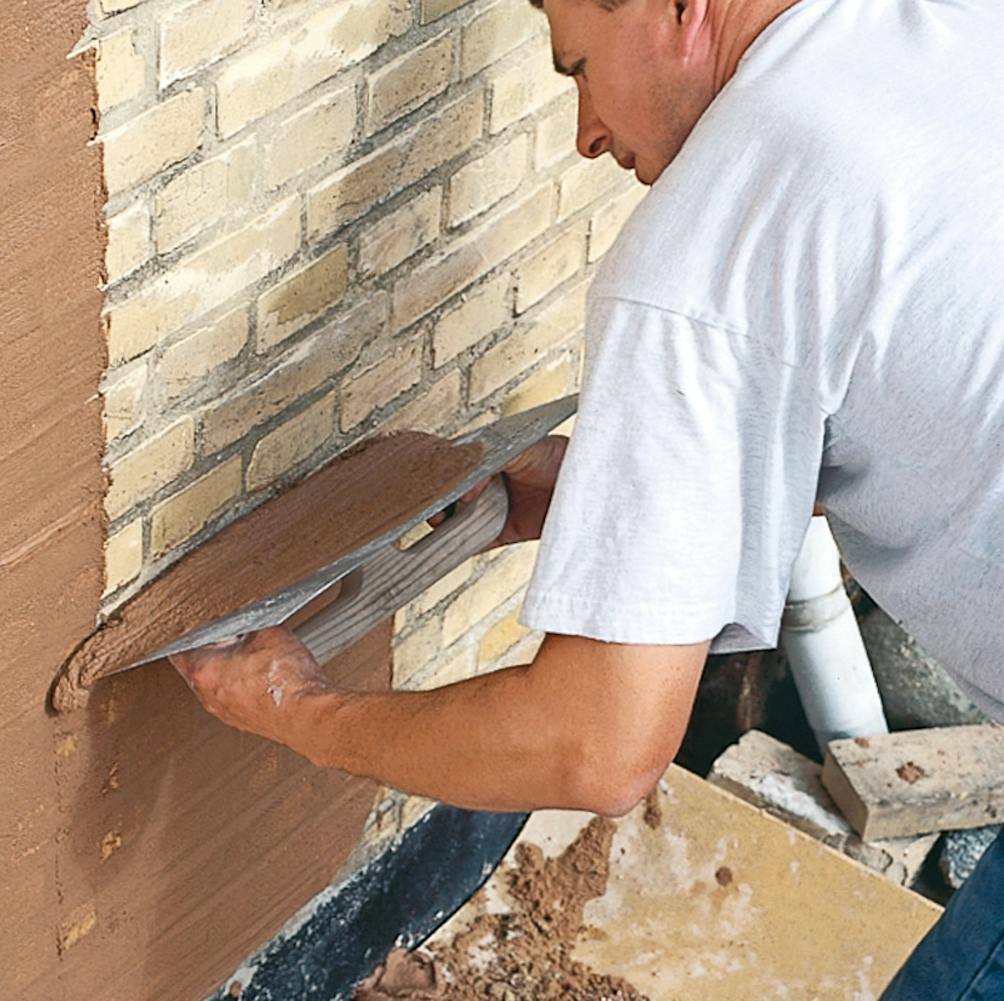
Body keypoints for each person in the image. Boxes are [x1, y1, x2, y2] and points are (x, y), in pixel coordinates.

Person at [168, 0, 1004, 995]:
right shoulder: (945, 28)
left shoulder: (710, 243)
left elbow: (599, 745)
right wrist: (612, 502)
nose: (586, 134)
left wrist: (301, 707)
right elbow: (926, 402)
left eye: (577, 69)